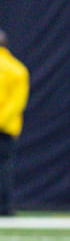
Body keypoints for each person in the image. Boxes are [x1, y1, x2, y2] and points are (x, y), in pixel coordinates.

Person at [0, 28, 29, 216]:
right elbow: (17, 103)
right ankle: (4, 207)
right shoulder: (17, 69)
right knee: (4, 169)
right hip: (6, 128)